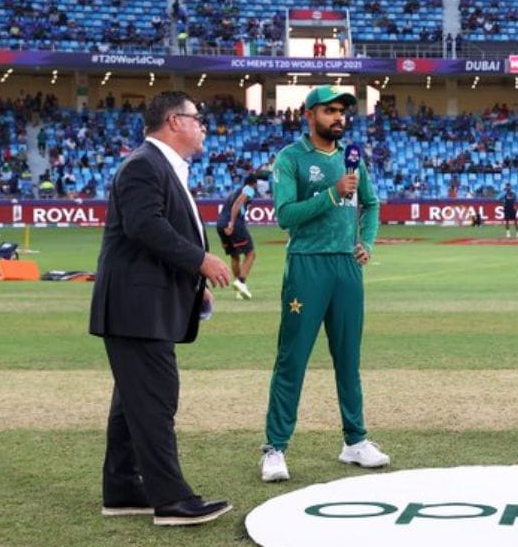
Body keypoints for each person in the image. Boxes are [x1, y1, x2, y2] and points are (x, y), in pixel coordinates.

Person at [88, 91, 234, 526]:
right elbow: (145, 226)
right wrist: (200, 261)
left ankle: (122, 489)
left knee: (133, 401)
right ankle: (171, 499)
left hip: (141, 305)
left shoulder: (159, 166)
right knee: (155, 400)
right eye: (197, 117)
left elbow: (158, 231)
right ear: (174, 121)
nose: (203, 125)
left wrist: (193, 286)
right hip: (135, 308)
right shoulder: (143, 165)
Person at [259, 85, 386, 483]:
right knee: (292, 359)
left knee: (348, 359)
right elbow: (285, 216)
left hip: (346, 268)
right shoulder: (291, 158)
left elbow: (372, 204)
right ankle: (275, 447)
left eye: (342, 111)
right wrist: (333, 194)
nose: (338, 117)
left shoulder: (353, 158)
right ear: (309, 115)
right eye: (329, 111)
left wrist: (366, 242)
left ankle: (355, 441)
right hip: (307, 265)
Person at [217, 173, 258, 299]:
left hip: (220, 224)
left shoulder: (234, 192)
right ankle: (241, 281)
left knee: (235, 256)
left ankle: (239, 290)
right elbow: (237, 204)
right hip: (234, 224)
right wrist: (232, 223)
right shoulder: (249, 189)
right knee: (251, 254)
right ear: (254, 183)